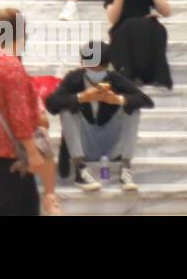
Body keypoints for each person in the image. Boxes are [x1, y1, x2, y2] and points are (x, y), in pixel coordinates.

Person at [45, 40, 152, 193]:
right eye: (93, 67)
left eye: (100, 67)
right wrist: (80, 97)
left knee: (132, 108)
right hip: (85, 142)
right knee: (67, 110)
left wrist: (118, 99)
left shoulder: (115, 78)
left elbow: (145, 100)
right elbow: (51, 103)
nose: (96, 71)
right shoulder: (74, 78)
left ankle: (125, 167)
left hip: (112, 143)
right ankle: (80, 169)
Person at [0, 8, 44, 216]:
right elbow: (19, 114)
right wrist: (32, 152)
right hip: (11, 149)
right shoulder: (11, 66)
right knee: (11, 208)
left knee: (23, 205)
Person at [105, 0, 173, 88]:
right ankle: (127, 72)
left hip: (144, 33)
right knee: (132, 24)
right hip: (122, 33)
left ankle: (156, 73)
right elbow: (113, 19)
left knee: (157, 27)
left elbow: (167, 12)